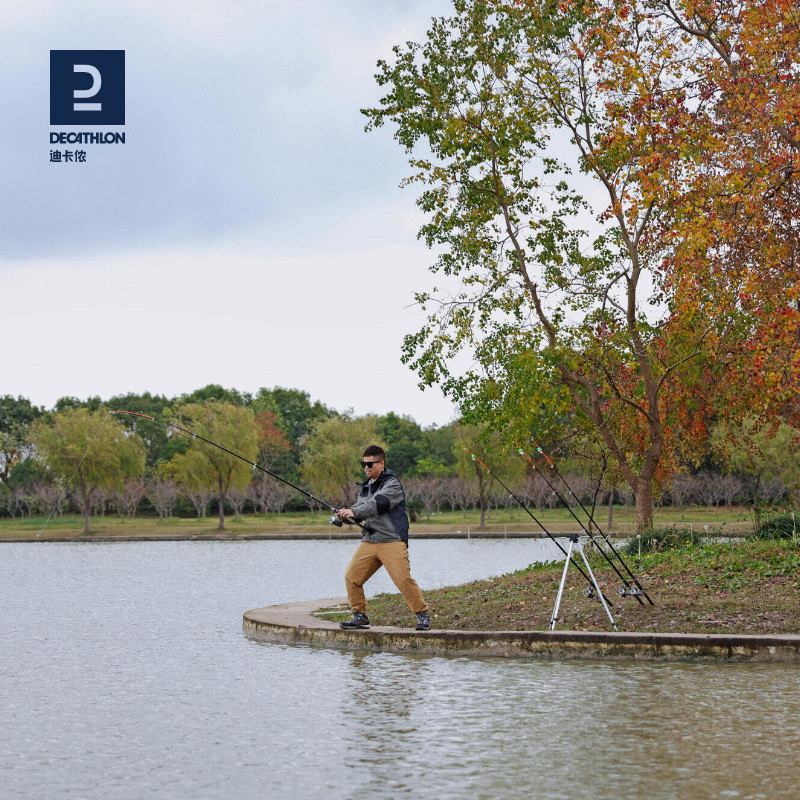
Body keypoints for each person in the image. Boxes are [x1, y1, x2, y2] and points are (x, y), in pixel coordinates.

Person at [336, 445, 430, 631]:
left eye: (370, 464)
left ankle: (423, 615)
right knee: (351, 577)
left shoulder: (392, 484)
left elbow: (377, 505)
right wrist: (344, 516)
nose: (366, 467)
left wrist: (353, 511)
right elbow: (359, 514)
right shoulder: (365, 488)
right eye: (364, 463)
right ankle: (360, 616)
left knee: (403, 580)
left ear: (381, 463)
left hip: (392, 540)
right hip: (370, 541)